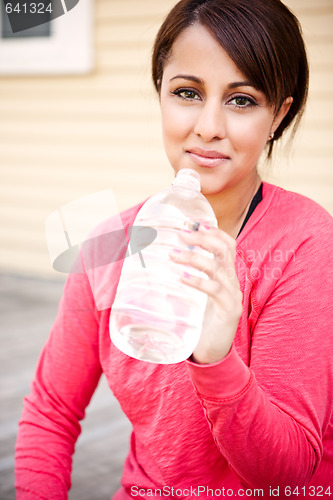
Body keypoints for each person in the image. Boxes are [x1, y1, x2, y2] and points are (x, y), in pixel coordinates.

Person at [15, 0, 333, 498]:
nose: (208, 126)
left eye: (242, 99)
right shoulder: (108, 246)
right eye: (186, 92)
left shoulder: (305, 242)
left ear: (280, 114)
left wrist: (217, 360)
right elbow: (50, 412)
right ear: (160, 94)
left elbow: (287, 475)